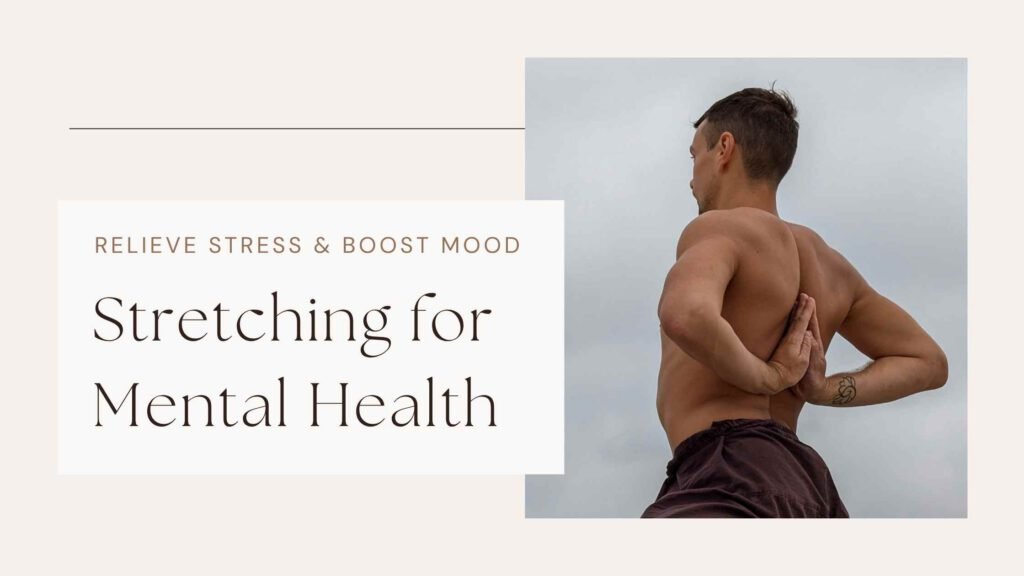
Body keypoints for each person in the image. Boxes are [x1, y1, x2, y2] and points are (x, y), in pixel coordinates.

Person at [641, 87, 949, 518]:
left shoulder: (719, 229)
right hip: (808, 486)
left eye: (694, 157)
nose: (692, 178)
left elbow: (685, 313)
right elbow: (928, 362)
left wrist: (767, 377)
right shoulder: (829, 265)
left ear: (724, 148)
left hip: (725, 470)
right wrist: (820, 390)